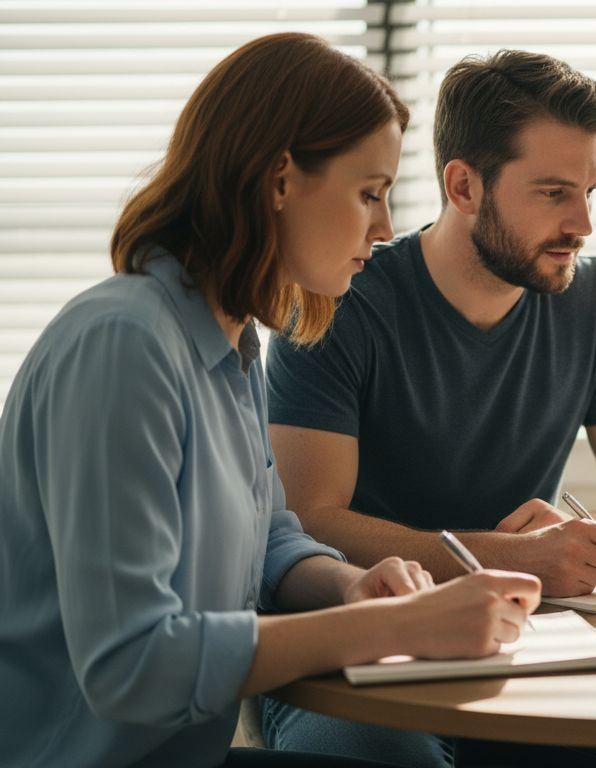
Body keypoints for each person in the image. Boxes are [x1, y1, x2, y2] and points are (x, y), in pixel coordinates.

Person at [0, 33, 541, 768]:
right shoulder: (124, 346)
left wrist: (356, 588)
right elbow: (131, 665)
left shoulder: (233, 349)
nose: (384, 229)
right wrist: (396, 629)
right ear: (279, 179)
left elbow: (268, 538)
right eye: (368, 194)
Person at [260, 50, 596, 767]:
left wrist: (589, 542)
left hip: (525, 641)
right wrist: (519, 558)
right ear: (463, 185)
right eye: (554, 192)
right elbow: (309, 519)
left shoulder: (593, 299)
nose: (582, 222)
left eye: (591, 191)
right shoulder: (341, 297)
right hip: (358, 646)